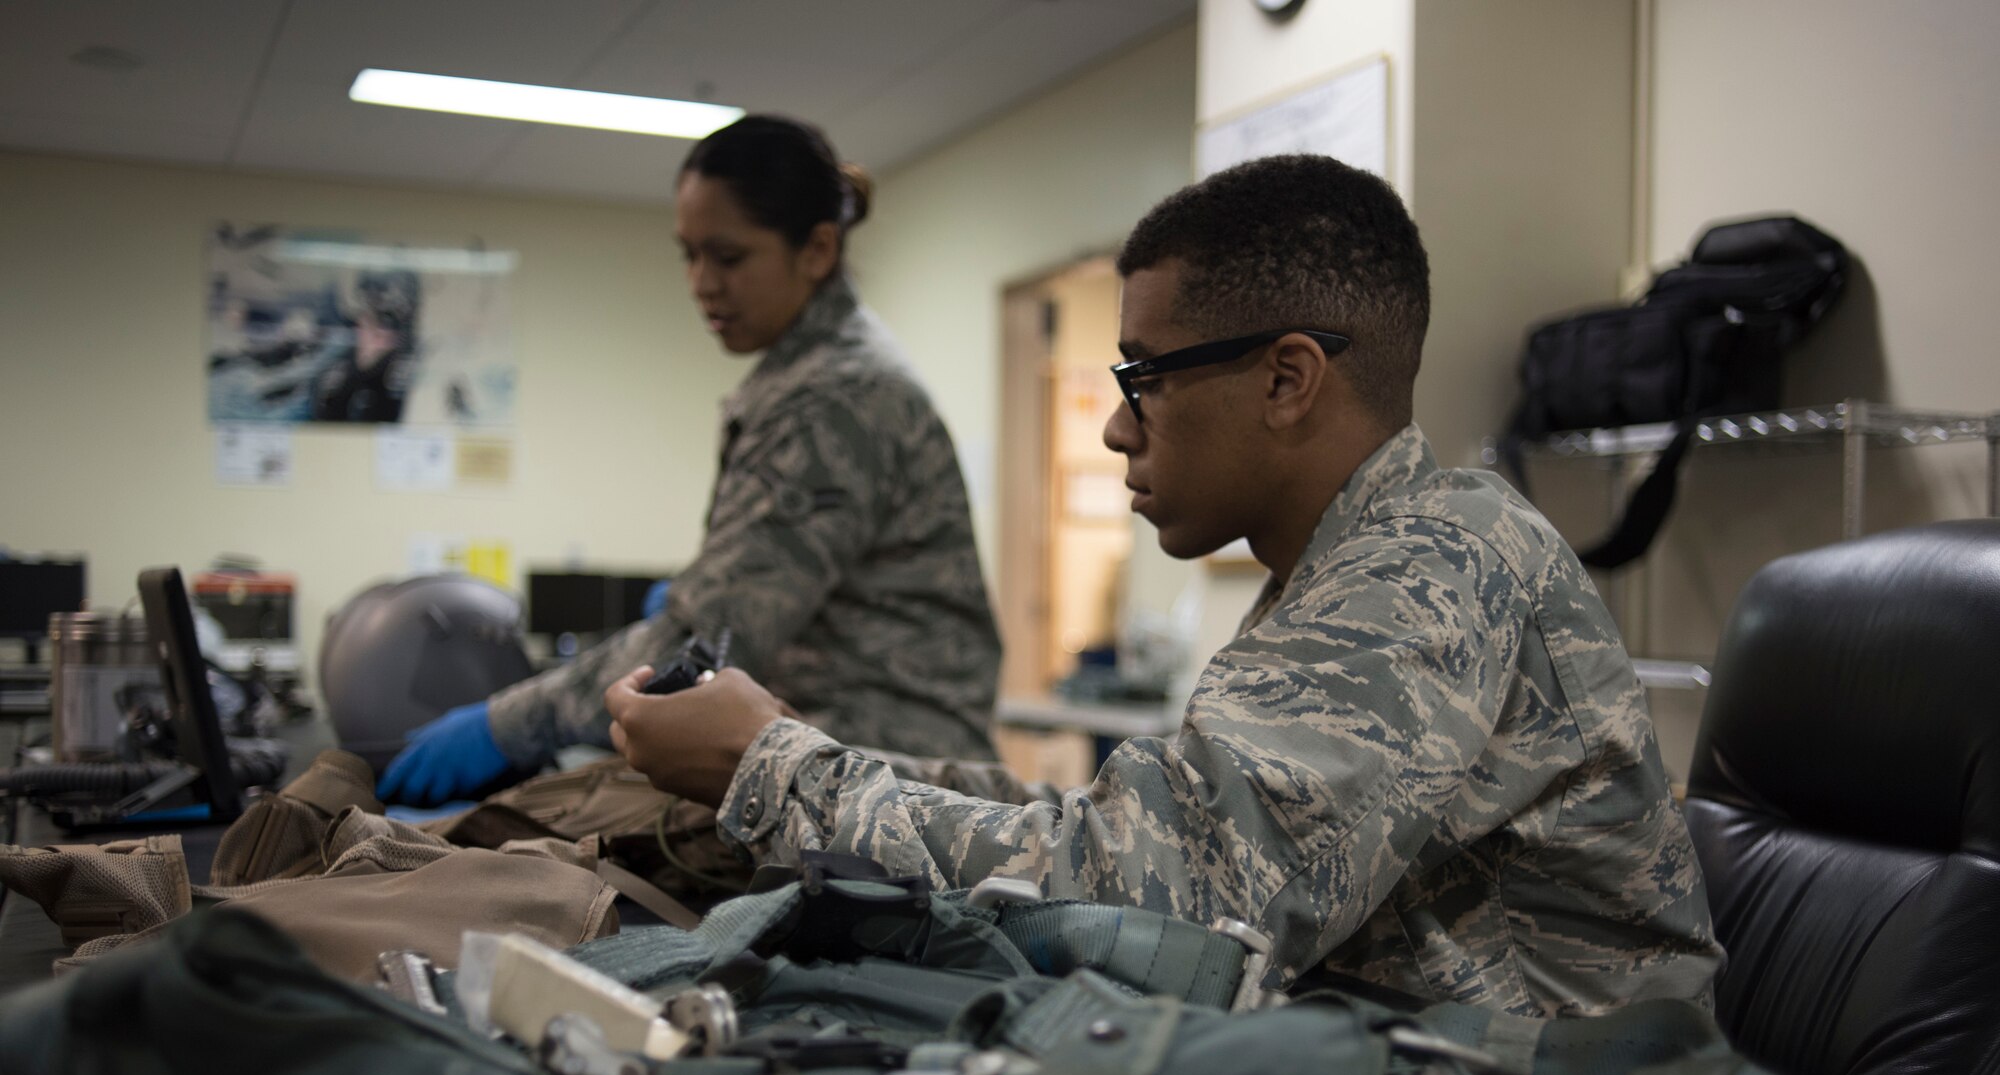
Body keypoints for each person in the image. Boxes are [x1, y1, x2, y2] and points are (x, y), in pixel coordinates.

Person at [602, 154, 1723, 1019]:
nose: (1114, 426)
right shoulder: (1344, 565)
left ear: (1287, 378)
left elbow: (1171, 893)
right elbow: (1131, 832)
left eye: (1143, 378)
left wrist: (777, 773)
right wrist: (809, 748)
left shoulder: (1434, 559)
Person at [379, 115, 1002, 805]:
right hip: (842, 761)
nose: (701, 282)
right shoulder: (811, 378)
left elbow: (704, 642)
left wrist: (505, 725)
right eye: (689, 254)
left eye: (728, 257)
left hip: (893, 782)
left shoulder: (834, 397)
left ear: (818, 249)